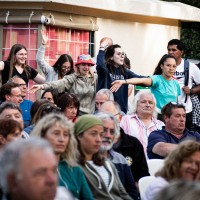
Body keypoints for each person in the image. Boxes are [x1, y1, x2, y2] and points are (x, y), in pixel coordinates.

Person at [31, 113, 93, 200]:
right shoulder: (32, 170)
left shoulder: (75, 170)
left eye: (65, 134)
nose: (61, 139)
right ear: (42, 136)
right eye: (56, 133)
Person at [74, 114, 132, 200]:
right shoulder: (72, 166)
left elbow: (124, 194)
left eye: (101, 135)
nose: (99, 139)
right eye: (93, 134)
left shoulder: (107, 163)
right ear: (79, 135)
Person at [111, 54, 181, 116]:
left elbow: (177, 103)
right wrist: (123, 81)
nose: (171, 68)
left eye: (174, 66)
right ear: (161, 66)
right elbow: (140, 80)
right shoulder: (157, 79)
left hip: (172, 117)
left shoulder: (176, 83)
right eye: (168, 65)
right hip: (158, 116)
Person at [29, 54, 97, 115]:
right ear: (78, 66)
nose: (86, 67)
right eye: (83, 65)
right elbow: (58, 83)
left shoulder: (95, 78)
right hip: (75, 116)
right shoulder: (72, 77)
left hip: (91, 116)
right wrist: (42, 86)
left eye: (88, 65)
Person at [99, 100, 150, 183]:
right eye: (102, 117)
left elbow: (142, 179)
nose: (107, 121)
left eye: (110, 116)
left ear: (120, 118)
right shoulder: (94, 143)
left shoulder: (134, 144)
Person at [96, 112, 139, 199]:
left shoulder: (120, 159)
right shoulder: (85, 159)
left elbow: (131, 191)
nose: (108, 135)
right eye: (104, 130)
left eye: (112, 132)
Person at [96, 42, 144, 113]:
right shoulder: (105, 70)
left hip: (121, 112)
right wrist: (101, 48)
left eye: (123, 54)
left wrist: (155, 78)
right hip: (105, 111)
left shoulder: (125, 72)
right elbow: (100, 65)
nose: (122, 56)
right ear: (111, 57)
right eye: (118, 54)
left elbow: (140, 79)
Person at [167, 39, 200, 130]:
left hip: (185, 111)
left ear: (181, 52)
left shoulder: (190, 66)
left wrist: (191, 90)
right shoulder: (164, 65)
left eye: (174, 50)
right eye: (169, 50)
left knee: (185, 139)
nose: (170, 52)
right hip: (167, 110)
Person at [120, 91, 164, 157]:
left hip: (155, 164)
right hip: (132, 163)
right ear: (136, 104)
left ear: (154, 106)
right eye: (143, 102)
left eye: (150, 103)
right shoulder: (125, 120)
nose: (147, 105)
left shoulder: (160, 125)